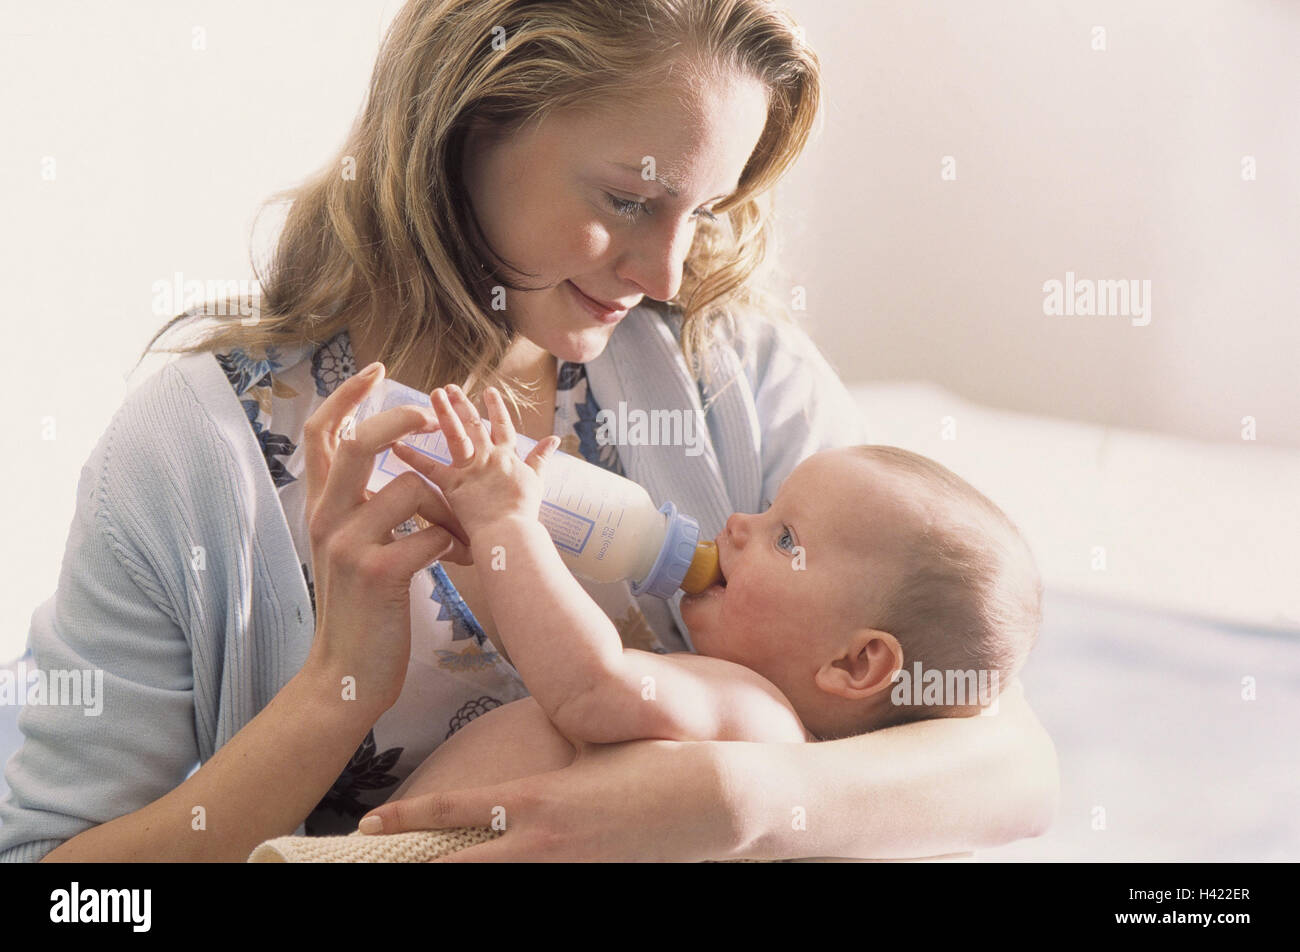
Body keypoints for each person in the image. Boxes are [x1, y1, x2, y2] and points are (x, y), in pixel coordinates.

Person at [0, 0, 1057, 863]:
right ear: (468, 122)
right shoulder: (194, 453)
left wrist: (737, 793)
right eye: (629, 198)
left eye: (705, 210)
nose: (666, 275)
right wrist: (335, 692)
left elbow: (1007, 760)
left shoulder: (722, 366)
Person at [349, 384, 1042, 831]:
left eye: (786, 537)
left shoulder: (753, 712)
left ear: (856, 663)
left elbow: (590, 688)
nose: (738, 522)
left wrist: (510, 529)